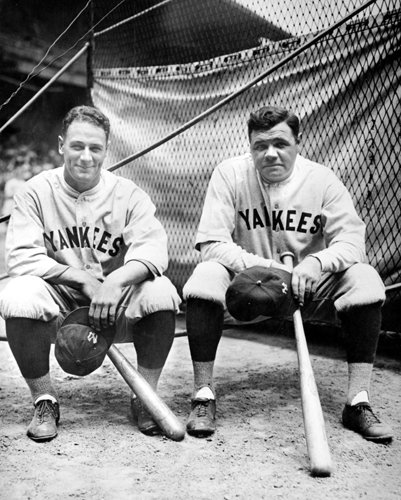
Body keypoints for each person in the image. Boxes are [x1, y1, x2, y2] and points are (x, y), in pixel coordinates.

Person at [182, 105, 393, 443]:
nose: (270, 153)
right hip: (250, 288)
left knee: (365, 279)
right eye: (260, 146)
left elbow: (353, 242)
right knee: (205, 277)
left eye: (280, 144)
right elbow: (211, 244)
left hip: (307, 288)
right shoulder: (230, 174)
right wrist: (266, 269)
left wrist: (316, 263)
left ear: (298, 142)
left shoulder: (321, 179)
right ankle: (203, 395)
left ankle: (358, 401)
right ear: (250, 147)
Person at [0, 105, 181, 442]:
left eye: (95, 148)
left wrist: (115, 281)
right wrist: (81, 278)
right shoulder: (35, 191)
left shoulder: (128, 194)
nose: (86, 157)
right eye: (77, 146)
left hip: (115, 304)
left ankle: (144, 396)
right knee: (17, 294)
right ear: (60, 146)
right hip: (58, 303)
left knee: (161, 291)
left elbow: (154, 250)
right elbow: (22, 258)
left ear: (106, 150)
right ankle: (44, 400)